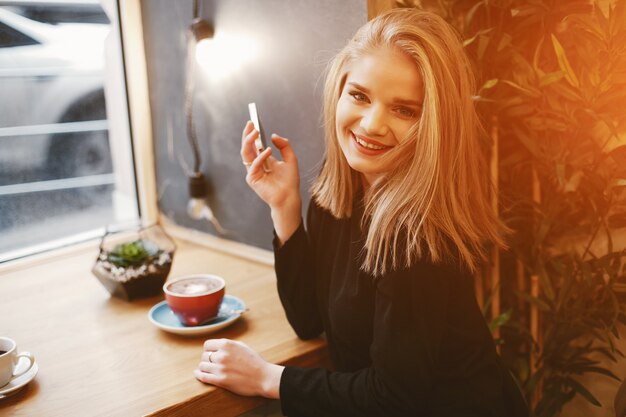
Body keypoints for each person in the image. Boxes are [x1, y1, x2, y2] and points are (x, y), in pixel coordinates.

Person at [194, 8, 529, 417]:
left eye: (404, 110)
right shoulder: (337, 197)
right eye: (360, 95)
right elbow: (309, 320)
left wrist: (268, 378)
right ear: (339, 91)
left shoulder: (418, 233)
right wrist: (284, 207)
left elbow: (392, 398)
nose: (372, 124)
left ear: (435, 124)